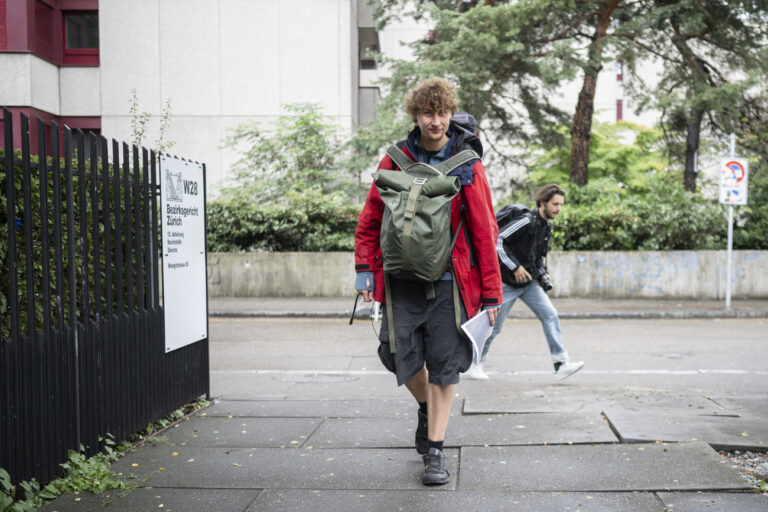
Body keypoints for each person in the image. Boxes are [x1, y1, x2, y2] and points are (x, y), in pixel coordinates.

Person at [354, 77, 502, 486]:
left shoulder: (468, 164)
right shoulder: (395, 160)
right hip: (400, 281)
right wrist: (365, 271)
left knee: (444, 366)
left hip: (449, 284)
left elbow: (484, 233)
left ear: (451, 114)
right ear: (415, 115)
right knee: (393, 354)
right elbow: (370, 220)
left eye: (442, 113)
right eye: (427, 113)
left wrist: (491, 295)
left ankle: (435, 451)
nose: (435, 121)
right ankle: (426, 407)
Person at [465, 183, 585, 381]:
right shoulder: (526, 221)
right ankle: (475, 364)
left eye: (561, 205)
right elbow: (498, 240)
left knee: (550, 315)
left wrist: (542, 274)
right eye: (555, 204)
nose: (558, 208)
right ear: (542, 202)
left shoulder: (547, 226)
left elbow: (536, 257)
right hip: (506, 283)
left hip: (528, 283)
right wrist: (515, 267)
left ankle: (561, 364)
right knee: (494, 327)